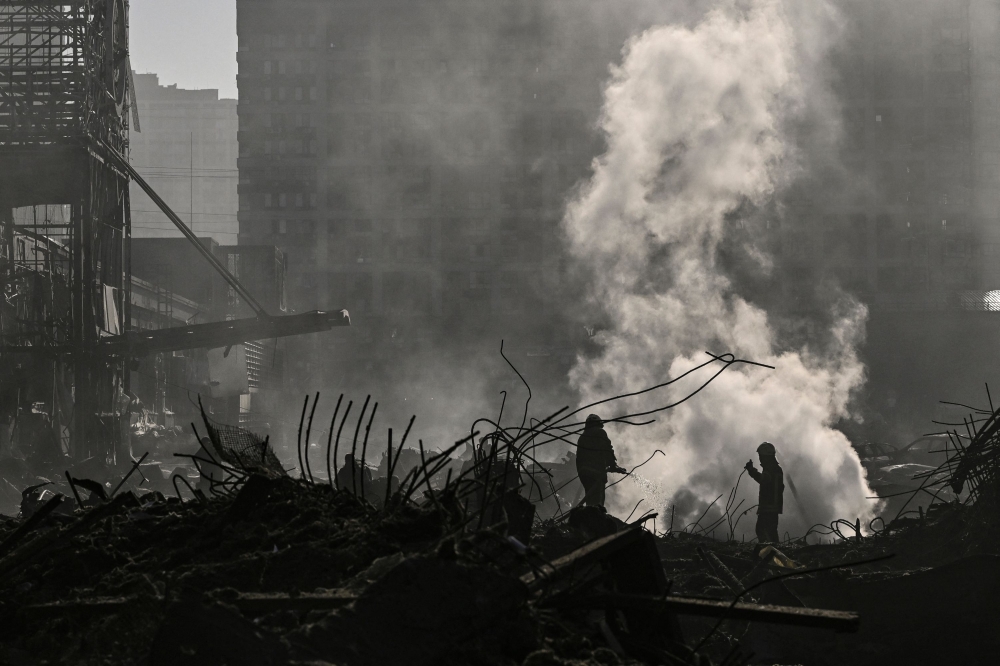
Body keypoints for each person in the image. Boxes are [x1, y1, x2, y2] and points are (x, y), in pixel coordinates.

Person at [575, 414, 624, 509]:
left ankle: (589, 519)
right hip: (596, 473)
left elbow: (579, 458)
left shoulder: (582, 436)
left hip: (583, 474)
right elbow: (607, 449)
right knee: (598, 504)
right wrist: (613, 466)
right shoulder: (600, 432)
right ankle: (596, 520)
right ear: (599, 423)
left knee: (590, 500)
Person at [745, 441, 784, 543]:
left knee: (762, 530)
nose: (760, 458)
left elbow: (763, 480)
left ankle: (769, 551)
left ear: (766, 456)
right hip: (774, 507)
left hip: (768, 507)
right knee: (771, 531)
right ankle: (775, 551)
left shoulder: (770, 469)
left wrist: (751, 470)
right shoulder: (777, 469)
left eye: (761, 456)